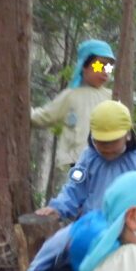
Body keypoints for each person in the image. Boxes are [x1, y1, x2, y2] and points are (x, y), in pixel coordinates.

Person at [36, 100, 136, 221]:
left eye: (113, 141)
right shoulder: (87, 158)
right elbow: (74, 187)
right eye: (101, 142)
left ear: (128, 135)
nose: (107, 147)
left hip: (130, 226)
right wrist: (58, 208)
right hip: (93, 227)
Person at [32, 40, 116, 178]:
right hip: (78, 161)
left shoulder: (112, 96)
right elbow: (45, 116)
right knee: (78, 188)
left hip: (107, 161)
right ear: (84, 66)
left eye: (109, 68)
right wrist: (24, 112)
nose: (105, 72)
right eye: (100, 65)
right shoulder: (70, 96)